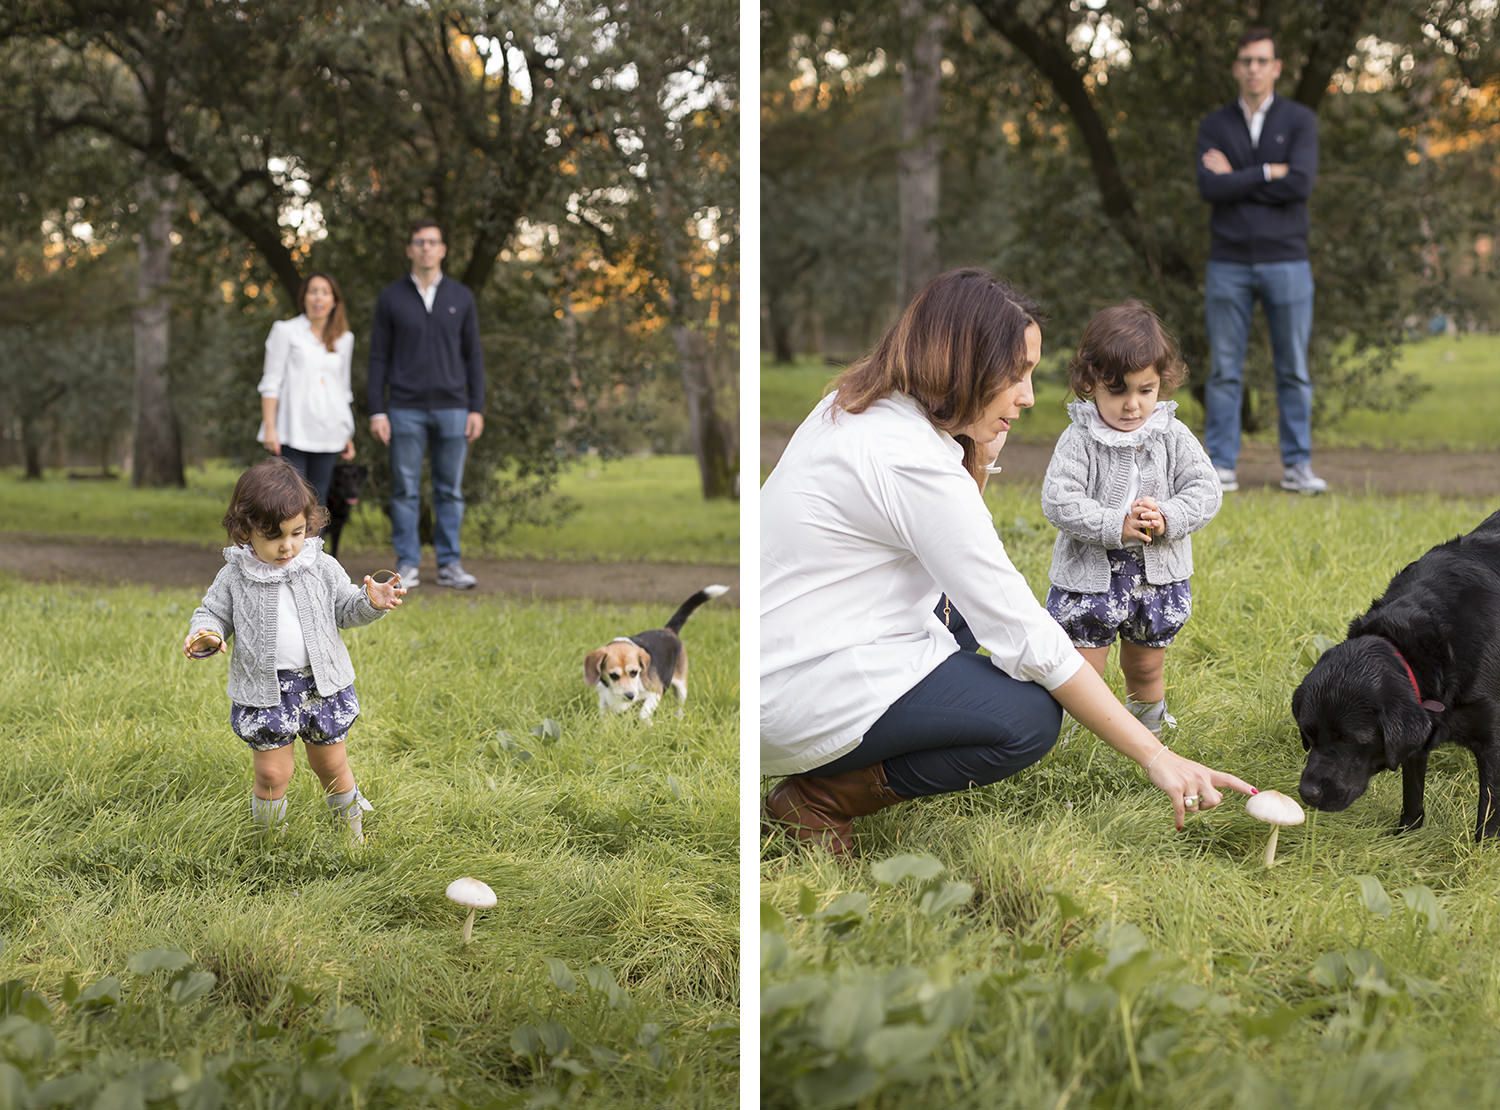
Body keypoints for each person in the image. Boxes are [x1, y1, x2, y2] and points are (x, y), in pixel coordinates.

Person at [760, 268, 1255, 855]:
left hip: (795, 644)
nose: (1028, 396)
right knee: (1027, 717)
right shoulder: (908, 461)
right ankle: (821, 799)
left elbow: (946, 550)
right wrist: (1157, 756)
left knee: (976, 622)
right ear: (964, 365)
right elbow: (1025, 633)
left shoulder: (860, 405)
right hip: (802, 687)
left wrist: (978, 454)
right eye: (1016, 374)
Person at [184, 458, 406, 843]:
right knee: (273, 773)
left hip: (323, 687)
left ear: (309, 523)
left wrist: (371, 601)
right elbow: (213, 612)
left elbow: (346, 610)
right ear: (245, 530)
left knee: (332, 765)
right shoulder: (235, 574)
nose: (287, 546)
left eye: (297, 532)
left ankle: (351, 839)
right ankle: (272, 846)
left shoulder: (320, 565)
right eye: (274, 537)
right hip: (266, 691)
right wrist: (206, 632)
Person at [1041, 302, 1222, 740]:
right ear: (1089, 383)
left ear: (1162, 383)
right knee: (1083, 665)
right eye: (1118, 391)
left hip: (1156, 578)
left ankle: (1147, 729)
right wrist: (1113, 524)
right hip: (1091, 576)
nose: (1132, 405)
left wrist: (1168, 516)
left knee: (1145, 663)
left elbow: (1206, 489)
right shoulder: (1080, 437)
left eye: (1146, 390)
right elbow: (1058, 500)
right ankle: (1066, 738)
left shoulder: (1172, 433)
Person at [1197, 26, 1326, 495]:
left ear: (1276, 67)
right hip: (1227, 263)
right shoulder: (1215, 125)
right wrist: (1270, 173)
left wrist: (1240, 178)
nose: (1253, 68)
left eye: (1261, 60)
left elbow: (1300, 185)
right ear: (1237, 67)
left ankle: (1297, 467)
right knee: (1225, 370)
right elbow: (1210, 188)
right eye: (1246, 60)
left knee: (1292, 368)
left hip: (1287, 261)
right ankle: (1221, 467)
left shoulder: (1299, 121)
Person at [367, 219, 485, 590]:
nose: (426, 249)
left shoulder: (461, 297)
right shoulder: (391, 298)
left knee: (449, 490)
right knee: (405, 490)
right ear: (410, 249)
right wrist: (378, 409)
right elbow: (378, 358)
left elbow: (473, 357)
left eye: (432, 242)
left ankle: (450, 564)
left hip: (454, 408)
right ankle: (408, 564)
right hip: (404, 408)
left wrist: (476, 407)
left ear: (443, 249)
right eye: (419, 242)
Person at [256, 272, 356, 504]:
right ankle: (288, 543)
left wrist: (347, 432)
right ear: (304, 298)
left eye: (325, 292)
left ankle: (314, 543)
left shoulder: (345, 338)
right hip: (292, 431)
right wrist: (270, 427)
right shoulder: (285, 331)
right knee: (290, 500)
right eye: (313, 292)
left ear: (334, 301)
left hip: (330, 431)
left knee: (318, 502)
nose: (318, 298)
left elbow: (343, 388)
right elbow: (271, 382)